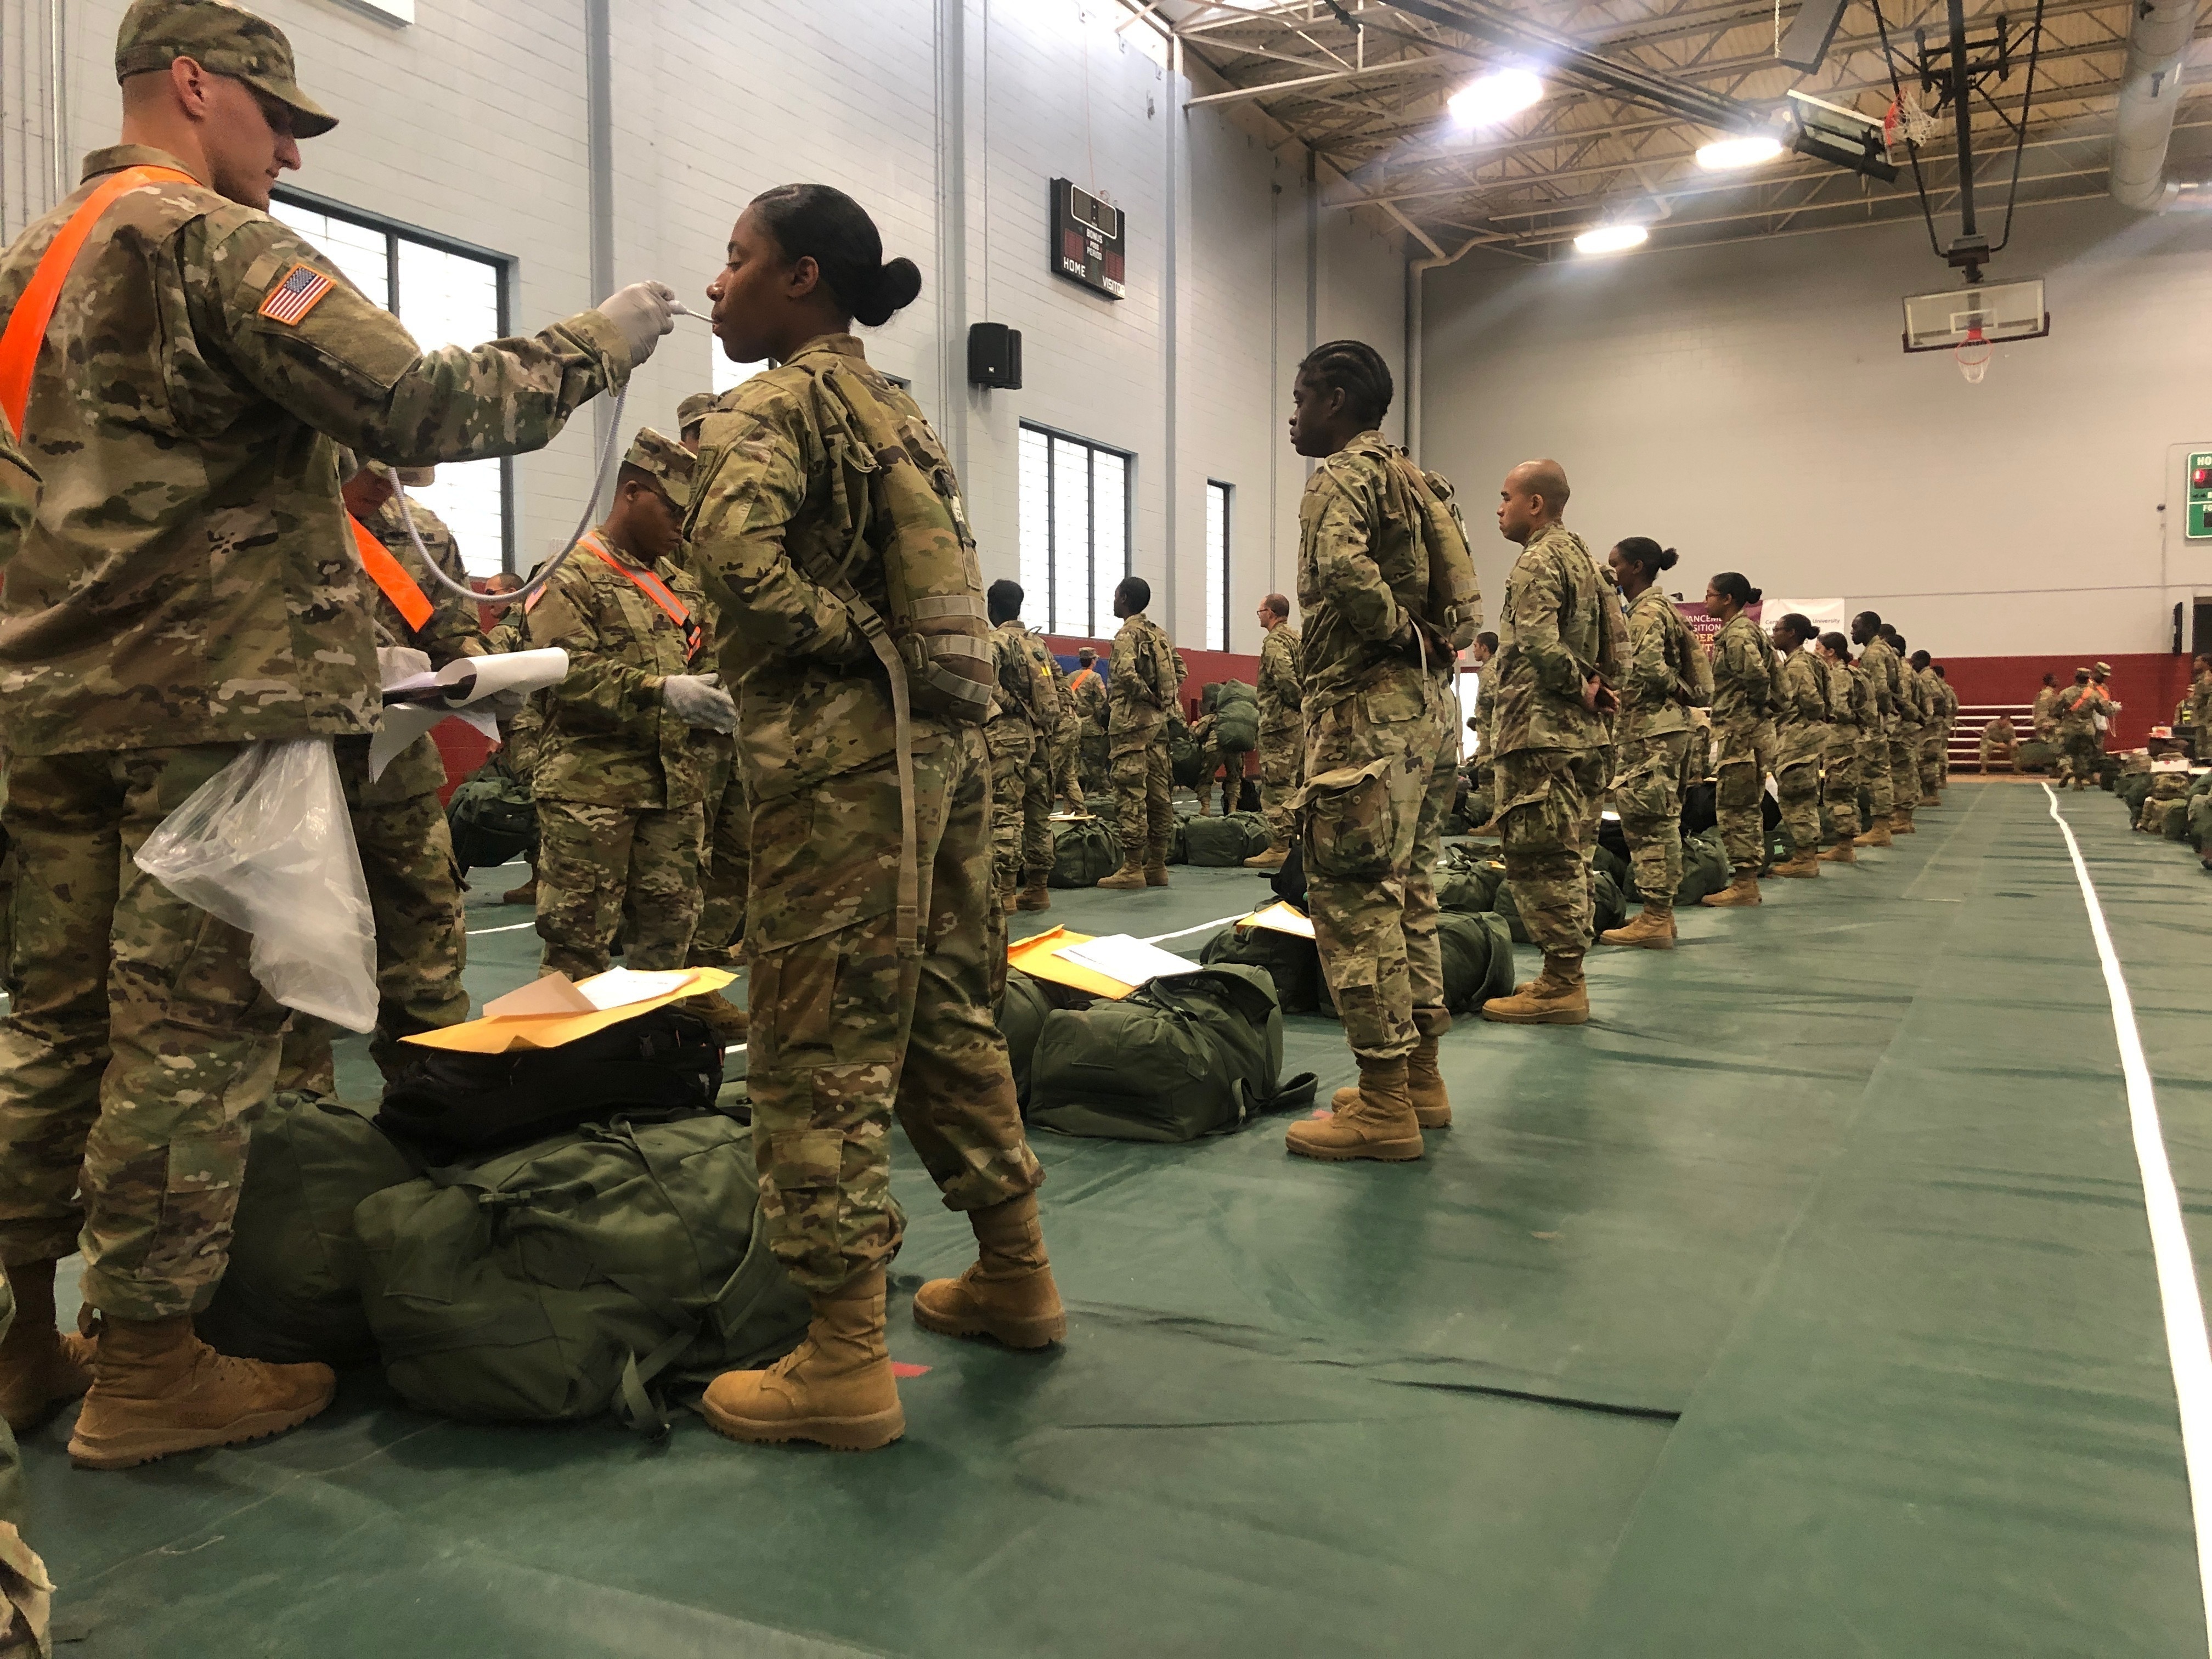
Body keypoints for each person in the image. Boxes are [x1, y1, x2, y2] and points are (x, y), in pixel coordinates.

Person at [0, 0, 673, 1471]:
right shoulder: (205, 241)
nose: (293, 156)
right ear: (193, 85)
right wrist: (599, 343)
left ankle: (23, 1344)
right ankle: (150, 1369)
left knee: (49, 1029)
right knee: (187, 1042)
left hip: (50, 708)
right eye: (280, 119)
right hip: (207, 716)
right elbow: (424, 400)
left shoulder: (26, 268)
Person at [682, 183, 1057, 1452]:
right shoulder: (895, 407)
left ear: (799, 278)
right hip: (940, 760)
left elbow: (736, 561)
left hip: (841, 765)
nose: (717, 281)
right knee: (946, 1011)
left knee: (817, 1033)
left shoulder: (771, 404)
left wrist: (849, 642)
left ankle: (842, 1356)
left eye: (737, 260)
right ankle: (1017, 1273)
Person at [1274, 340, 1470, 1160]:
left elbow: (1341, 568)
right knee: (1411, 894)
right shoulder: (1419, 480)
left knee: (1354, 903)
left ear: (1340, 399)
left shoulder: (1343, 477)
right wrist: (1422, 644)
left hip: (1367, 710)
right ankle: (1419, 1079)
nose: (1294, 414)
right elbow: (1459, 599)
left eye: (1303, 397)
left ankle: (1384, 1105)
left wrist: (1392, 634)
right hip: (1428, 712)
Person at [276, 459, 483, 1096]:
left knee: (428, 949)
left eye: (399, 474)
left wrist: (480, 674)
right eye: (370, 470)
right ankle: (302, 1128)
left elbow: (456, 633)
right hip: (289, 779)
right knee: (292, 955)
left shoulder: (422, 536)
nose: (384, 486)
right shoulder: (262, 515)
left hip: (397, 776)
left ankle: (432, 1101)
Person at [522, 430, 735, 980]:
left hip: (674, 792)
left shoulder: (682, 587)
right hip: (592, 792)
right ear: (633, 493)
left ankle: (653, 1058)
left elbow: (710, 662)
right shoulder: (569, 574)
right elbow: (565, 670)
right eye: (673, 511)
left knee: (669, 945)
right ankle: (575, 1064)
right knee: (578, 949)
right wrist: (659, 692)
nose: (680, 529)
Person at [1481, 458, 1623, 1023]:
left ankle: (1563, 983)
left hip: (1542, 733)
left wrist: (1577, 687)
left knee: (1540, 859)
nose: (1499, 507)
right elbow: (1620, 645)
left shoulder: (1537, 560)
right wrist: (1601, 689)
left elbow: (1538, 643)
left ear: (1535, 504)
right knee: (1573, 856)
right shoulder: (1589, 561)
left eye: (1506, 496)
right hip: (1585, 737)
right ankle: (1564, 976)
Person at [1598, 539, 1708, 948]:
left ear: (1637, 568)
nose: (1611, 573)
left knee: (1649, 826)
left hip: (1651, 733)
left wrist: (1671, 687)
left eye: (1615, 565)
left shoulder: (1645, 612)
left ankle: (1656, 918)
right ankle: (1659, 915)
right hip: (1661, 730)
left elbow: (1642, 667)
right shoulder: (1658, 609)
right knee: (1659, 823)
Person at [1096, 577, 1184, 890]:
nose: (1114, 600)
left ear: (1125, 598)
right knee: (1160, 794)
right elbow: (1181, 670)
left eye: (1116, 595)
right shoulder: (1160, 635)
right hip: (1159, 727)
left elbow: (1124, 673)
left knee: (1130, 793)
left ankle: (1133, 867)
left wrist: (1147, 696)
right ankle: (1157, 865)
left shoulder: (1126, 634)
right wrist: (1164, 700)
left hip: (1132, 726)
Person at [1700, 573, 1779, 906]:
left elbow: (1758, 677)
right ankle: (1746, 881)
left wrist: (1748, 713)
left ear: (1728, 599)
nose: (1706, 602)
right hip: (1744, 729)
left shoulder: (1737, 635)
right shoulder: (1742, 631)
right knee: (1743, 805)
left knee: (1736, 808)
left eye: (1711, 595)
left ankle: (1745, 884)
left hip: (1740, 732)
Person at [984, 579, 1060, 912]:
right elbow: (1059, 686)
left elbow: (986, 684)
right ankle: (1038, 888)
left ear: (991, 607)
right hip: (1042, 737)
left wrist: (1010, 704)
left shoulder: (993, 641)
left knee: (1005, 813)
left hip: (1008, 737)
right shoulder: (1038, 644)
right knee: (1039, 813)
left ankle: (1004, 893)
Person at [1767, 613, 1829, 879]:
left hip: (1798, 740)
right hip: (1805, 738)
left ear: (1791, 633)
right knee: (1802, 798)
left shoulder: (1797, 666)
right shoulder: (1812, 661)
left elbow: (1813, 703)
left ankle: (1805, 859)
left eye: (1778, 629)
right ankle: (1805, 856)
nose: (1774, 633)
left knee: (1796, 799)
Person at [1246, 592, 1303, 868]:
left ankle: (1280, 845)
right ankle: (1300, 841)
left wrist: (1296, 703)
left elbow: (1285, 678)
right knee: (1297, 781)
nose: (1259, 616)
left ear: (1271, 613)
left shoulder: (1275, 642)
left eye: (1260, 611)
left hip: (1279, 724)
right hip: (1297, 724)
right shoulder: (1297, 638)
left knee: (1277, 785)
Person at [1851, 612, 1904, 847]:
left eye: (1856, 628)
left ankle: (1881, 827)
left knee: (1876, 774)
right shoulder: (1885, 650)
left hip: (1874, 721)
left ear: (1870, 628)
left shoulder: (1873, 654)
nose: (1852, 632)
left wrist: (1877, 715)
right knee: (1880, 772)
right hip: (1881, 718)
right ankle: (1881, 826)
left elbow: (1880, 689)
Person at [1815, 633, 1865, 860]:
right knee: (1844, 790)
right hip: (1847, 737)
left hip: (1841, 738)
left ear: (1830, 652)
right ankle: (1846, 845)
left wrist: (1822, 713)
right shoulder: (1853, 672)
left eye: (1818, 648)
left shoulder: (1838, 675)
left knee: (1838, 791)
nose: (1815, 652)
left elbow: (1840, 708)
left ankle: (1845, 847)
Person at [2054, 667, 2109, 789]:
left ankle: (2067, 768)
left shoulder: (2065, 693)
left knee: (2063, 750)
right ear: (2088, 679)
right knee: (2083, 756)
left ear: (2076, 677)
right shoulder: (2093, 695)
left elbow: (2056, 712)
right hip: (2087, 730)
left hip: (2069, 729)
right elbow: (2103, 711)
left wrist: (2065, 715)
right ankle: (2078, 783)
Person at [1045, 650, 1085, 814]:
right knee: (1068, 774)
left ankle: (1042, 813)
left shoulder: (1047, 681)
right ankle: (1081, 811)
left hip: (1062, 726)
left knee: (1048, 771)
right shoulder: (1061, 680)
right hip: (1073, 723)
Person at [1069, 645, 1109, 798]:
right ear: (1093, 661)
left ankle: (1075, 794)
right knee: (1095, 762)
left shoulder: (1070, 677)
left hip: (1073, 725)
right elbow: (1101, 703)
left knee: (1074, 762)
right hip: (1090, 726)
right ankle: (1105, 791)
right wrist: (1103, 724)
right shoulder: (1095, 678)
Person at [1909, 650, 1944, 806]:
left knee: (1927, 758)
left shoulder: (1926, 677)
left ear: (1923, 661)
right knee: (1924, 759)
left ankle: (1931, 795)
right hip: (1929, 724)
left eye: (1914, 661)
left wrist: (1925, 715)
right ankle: (1928, 793)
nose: (1912, 664)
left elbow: (1938, 698)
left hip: (1930, 726)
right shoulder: (1926, 676)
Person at [2179, 654, 2212, 763]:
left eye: (2198, 661)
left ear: (2206, 663)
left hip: (2208, 720)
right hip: (2201, 720)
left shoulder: (2208, 679)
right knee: (2200, 748)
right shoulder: (2201, 679)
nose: (2195, 663)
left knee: (2208, 748)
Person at [2032, 672, 2062, 743]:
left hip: (2051, 725)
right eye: (2055, 679)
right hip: (2047, 727)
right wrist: (2044, 724)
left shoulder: (2052, 693)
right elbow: (2042, 709)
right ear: (2051, 681)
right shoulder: (2046, 694)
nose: (2058, 680)